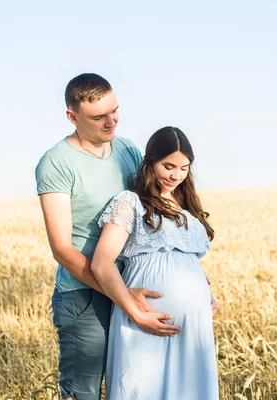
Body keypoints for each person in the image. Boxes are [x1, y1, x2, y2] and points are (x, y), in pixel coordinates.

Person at [35, 73, 178, 400]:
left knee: (133, 385)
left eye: (114, 111)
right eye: (98, 117)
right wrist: (125, 298)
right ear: (72, 117)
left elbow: (154, 211)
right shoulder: (56, 163)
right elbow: (61, 249)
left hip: (133, 282)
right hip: (83, 295)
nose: (111, 121)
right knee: (81, 393)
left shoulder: (127, 149)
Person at [91, 126, 220, 399]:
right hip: (144, 319)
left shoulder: (187, 210)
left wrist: (207, 292)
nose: (176, 175)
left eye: (184, 168)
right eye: (168, 166)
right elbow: (102, 264)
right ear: (150, 163)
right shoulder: (131, 203)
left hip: (194, 325)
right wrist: (137, 314)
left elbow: (186, 258)